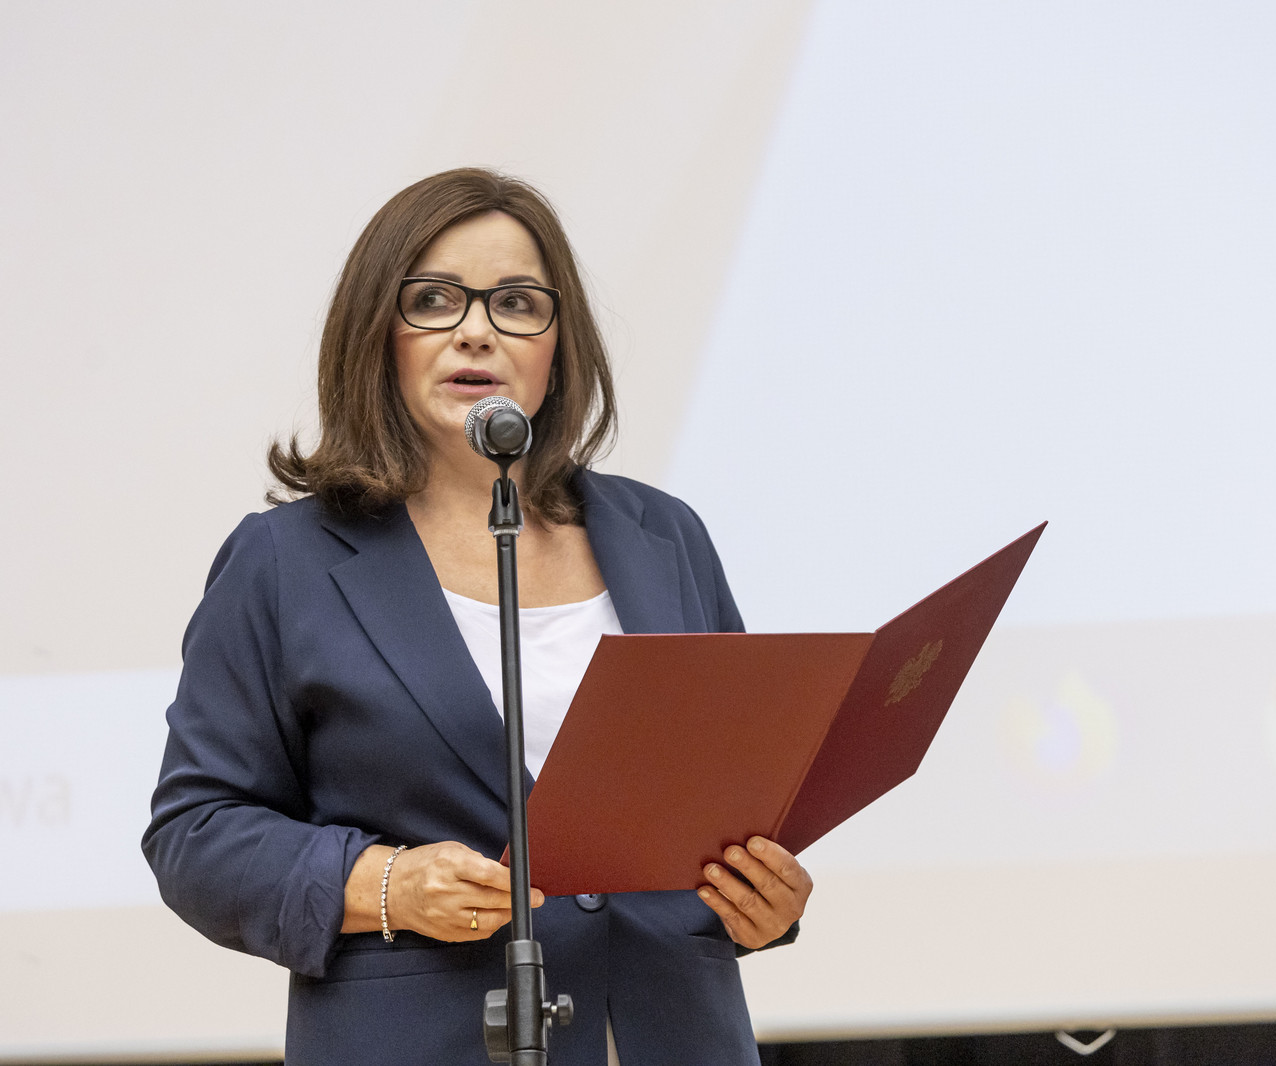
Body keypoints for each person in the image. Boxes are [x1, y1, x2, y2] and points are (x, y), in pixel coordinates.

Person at [142, 168, 811, 1066]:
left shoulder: (664, 536)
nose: (477, 330)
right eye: (433, 299)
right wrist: (384, 883)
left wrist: (763, 900)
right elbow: (195, 834)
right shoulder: (284, 562)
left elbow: (734, 800)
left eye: (517, 303)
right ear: (377, 332)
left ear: (558, 346)